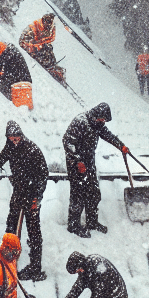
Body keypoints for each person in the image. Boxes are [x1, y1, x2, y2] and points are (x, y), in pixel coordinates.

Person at [0, 121, 49, 281]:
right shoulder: (10, 147)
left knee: (34, 231)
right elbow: (0, 159)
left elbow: (43, 175)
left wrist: (37, 198)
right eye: (11, 138)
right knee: (11, 224)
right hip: (19, 192)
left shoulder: (32, 150)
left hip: (32, 193)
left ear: (21, 135)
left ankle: (35, 268)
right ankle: (7, 256)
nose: (14, 141)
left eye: (16, 137)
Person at [62, 102, 127, 237]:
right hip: (75, 163)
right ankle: (74, 226)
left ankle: (92, 222)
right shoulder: (80, 122)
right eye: (102, 119)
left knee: (93, 192)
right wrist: (77, 160)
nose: (103, 122)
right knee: (78, 195)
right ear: (97, 114)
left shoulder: (98, 124)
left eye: (104, 120)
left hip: (89, 161)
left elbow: (108, 135)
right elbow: (67, 141)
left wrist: (121, 146)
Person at [0, 42, 33, 108]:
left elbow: (4, 71)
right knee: (25, 105)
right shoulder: (10, 51)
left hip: (19, 83)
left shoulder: (9, 56)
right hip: (25, 81)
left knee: (20, 106)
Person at [19, 14, 62, 80]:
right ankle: (49, 65)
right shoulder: (35, 26)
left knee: (48, 51)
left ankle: (53, 67)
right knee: (43, 53)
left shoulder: (49, 29)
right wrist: (36, 47)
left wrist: (46, 46)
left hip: (35, 45)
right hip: (28, 44)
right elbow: (23, 41)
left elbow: (48, 40)